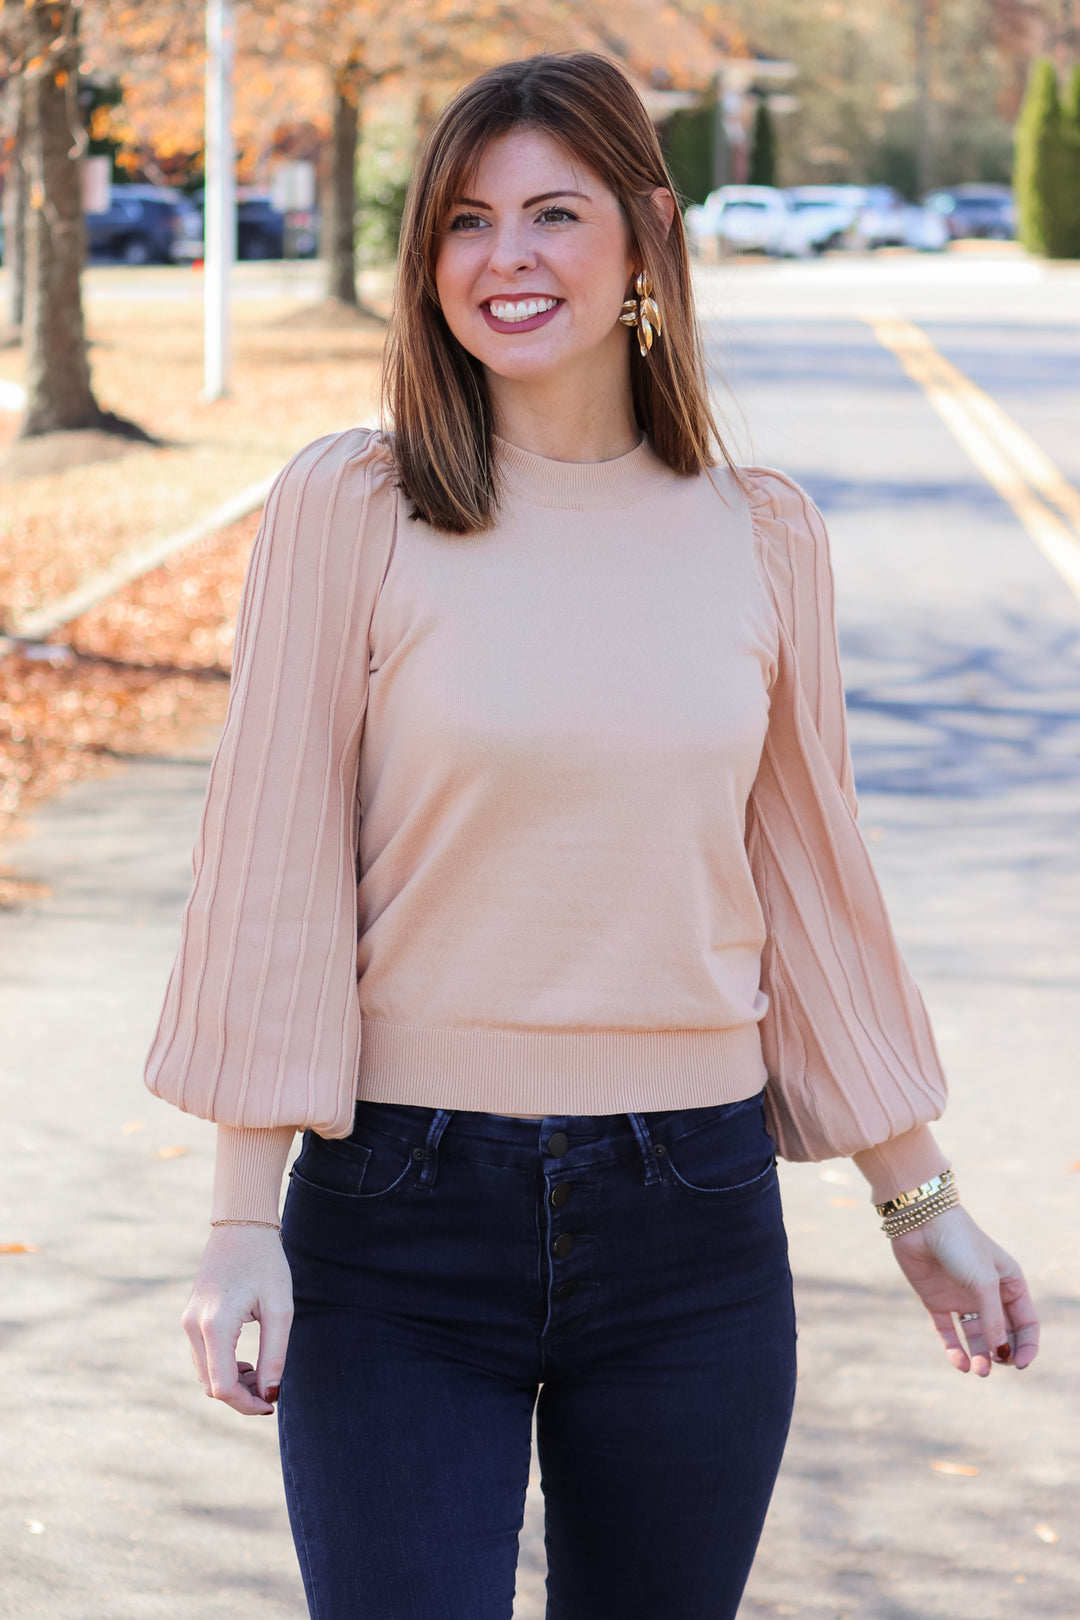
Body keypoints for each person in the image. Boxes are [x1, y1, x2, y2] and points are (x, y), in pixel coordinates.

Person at [145, 51, 1039, 1620]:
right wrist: (237, 1221)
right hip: (397, 1221)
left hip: (692, 1229)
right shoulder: (352, 508)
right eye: (468, 222)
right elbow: (271, 866)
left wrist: (920, 1202)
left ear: (646, 235)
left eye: (554, 214)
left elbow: (806, 888)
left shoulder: (763, 534)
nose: (507, 260)